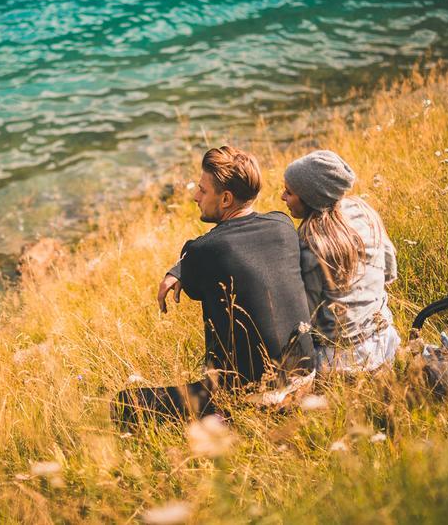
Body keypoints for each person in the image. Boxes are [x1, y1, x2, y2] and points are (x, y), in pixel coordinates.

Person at [112, 146, 315, 428]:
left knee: (124, 404)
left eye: (202, 190)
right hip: (305, 381)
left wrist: (178, 268)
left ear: (226, 198)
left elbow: (196, 255)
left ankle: (226, 424)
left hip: (246, 398)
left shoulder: (206, 250)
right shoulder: (282, 224)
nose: (195, 197)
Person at [280, 150, 400, 374]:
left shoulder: (310, 241)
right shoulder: (365, 211)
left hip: (339, 362)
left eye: (289, 192)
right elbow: (390, 273)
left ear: (311, 198)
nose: (282, 197)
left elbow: (305, 316)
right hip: (385, 343)